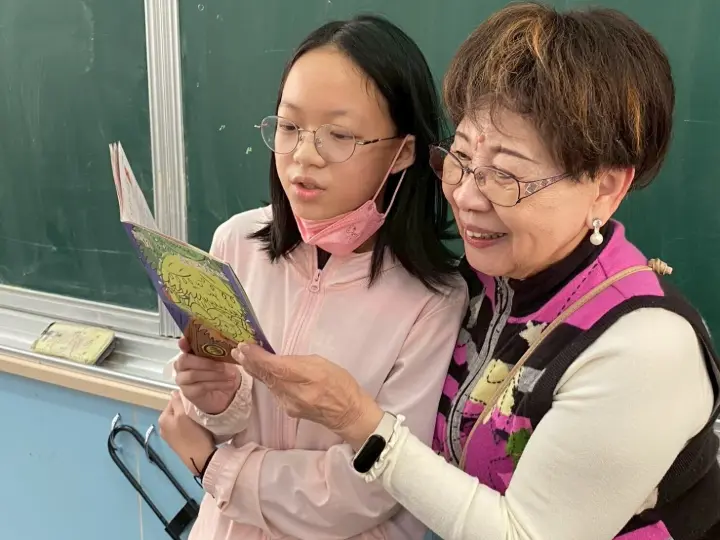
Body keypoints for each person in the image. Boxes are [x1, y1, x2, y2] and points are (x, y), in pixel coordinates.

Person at [231, 4, 720, 540]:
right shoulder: (483, 288)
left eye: (505, 175)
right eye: (461, 159)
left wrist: (357, 421)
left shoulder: (645, 348)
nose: (465, 196)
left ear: (605, 187)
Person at [157, 14, 468, 540]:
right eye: (289, 127)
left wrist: (216, 467)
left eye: (339, 135)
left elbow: (373, 488)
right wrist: (217, 401)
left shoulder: (434, 300)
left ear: (402, 152)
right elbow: (200, 420)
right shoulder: (236, 244)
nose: (304, 155)